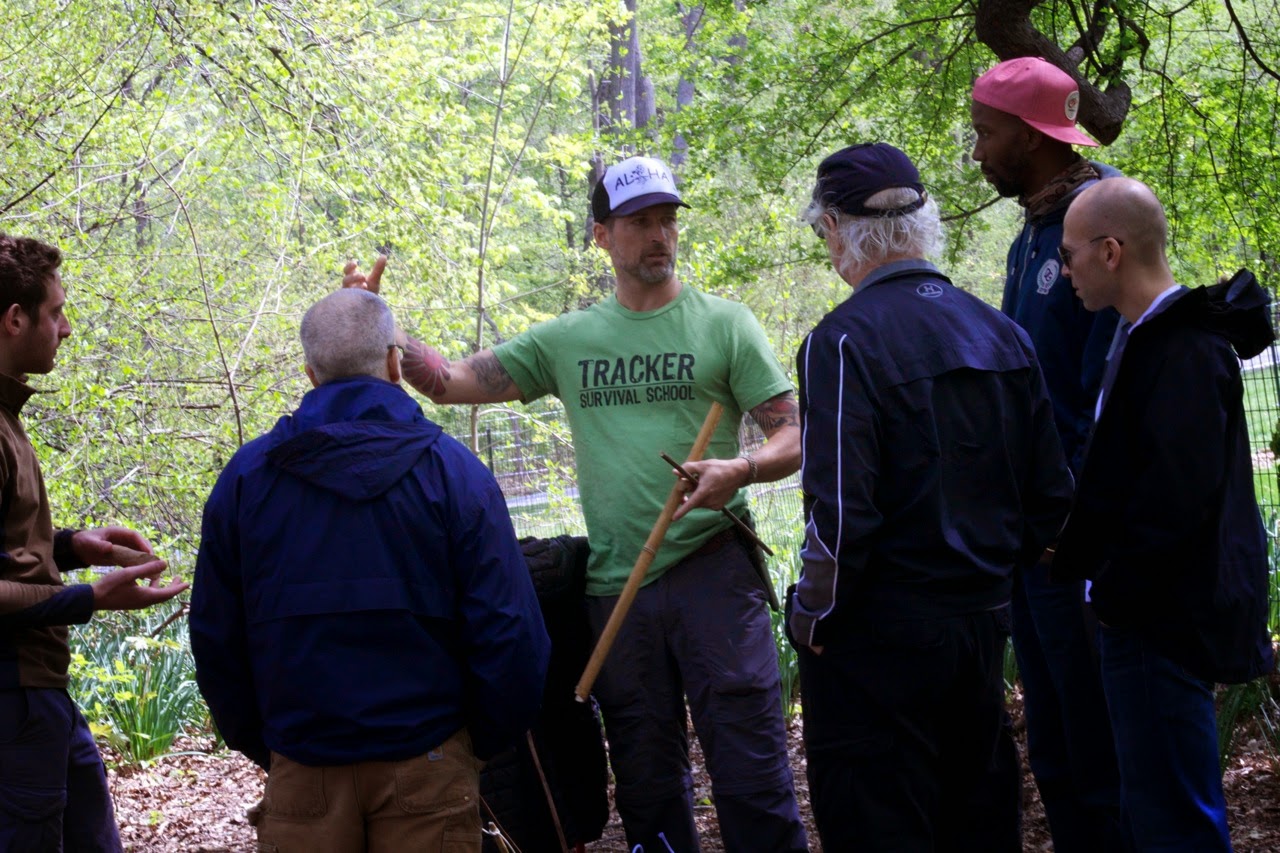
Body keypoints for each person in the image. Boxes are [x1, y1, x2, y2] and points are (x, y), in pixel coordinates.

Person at [344, 155, 808, 853]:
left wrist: (738, 467)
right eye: (639, 222)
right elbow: (447, 382)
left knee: (753, 779)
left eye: (666, 220)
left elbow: (792, 433)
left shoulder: (725, 325)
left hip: (715, 574)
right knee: (649, 790)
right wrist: (378, 325)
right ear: (601, 235)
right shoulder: (569, 340)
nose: (658, 235)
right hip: (617, 590)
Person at [788, 142, 1074, 851]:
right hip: (980, 628)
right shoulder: (1001, 331)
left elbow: (842, 514)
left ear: (834, 231)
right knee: (977, 821)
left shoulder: (843, 341)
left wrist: (811, 618)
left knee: (880, 825)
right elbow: (1051, 502)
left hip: (877, 640)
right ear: (926, 224)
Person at [189, 288, 550, 851]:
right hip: (427, 762)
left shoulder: (246, 480)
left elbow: (215, 638)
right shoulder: (454, 473)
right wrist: (469, 747)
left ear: (310, 374)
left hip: (303, 768)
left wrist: (275, 748)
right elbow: (512, 634)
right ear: (392, 363)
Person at [1052, 178, 1275, 852]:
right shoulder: (1142, 338)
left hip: (1159, 623)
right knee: (1154, 809)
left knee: (1174, 818)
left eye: (1069, 255)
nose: (1064, 272)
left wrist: (1116, 596)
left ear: (1111, 251)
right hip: (1141, 617)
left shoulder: (1181, 351)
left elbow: (1176, 502)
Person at [970, 55, 1126, 850]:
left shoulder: (1106, 223)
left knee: (1097, 736)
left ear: (1032, 138)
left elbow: (1113, 389)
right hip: (1027, 537)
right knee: (1055, 740)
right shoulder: (1033, 228)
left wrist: (1075, 514)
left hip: (1076, 539)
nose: (976, 151)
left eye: (986, 133)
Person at [0, 233, 188, 850]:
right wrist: (92, 599)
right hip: (13, 701)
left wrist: (78, 546)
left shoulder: (7, 418)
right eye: (56, 312)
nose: (68, 328)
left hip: (40, 697)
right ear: (14, 318)